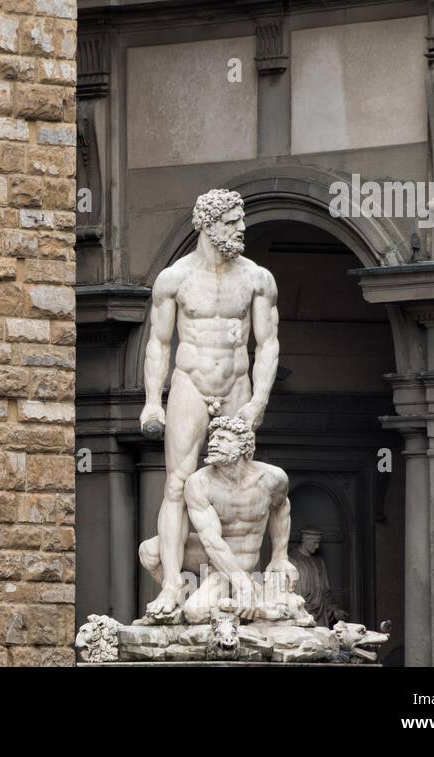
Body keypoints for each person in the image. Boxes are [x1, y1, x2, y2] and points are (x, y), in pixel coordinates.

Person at [139, 190, 280, 615]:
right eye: (232, 221)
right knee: (178, 484)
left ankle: (241, 576)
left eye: (241, 221)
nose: (241, 228)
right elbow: (159, 345)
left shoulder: (256, 278)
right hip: (190, 383)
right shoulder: (175, 279)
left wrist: (258, 401)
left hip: (236, 382)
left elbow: (268, 344)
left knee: (239, 478)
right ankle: (169, 586)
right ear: (206, 223)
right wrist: (152, 401)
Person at [138, 416, 299, 623]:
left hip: (243, 559)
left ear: (243, 446)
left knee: (195, 613)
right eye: (212, 439)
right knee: (149, 551)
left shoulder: (272, 478)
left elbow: (282, 507)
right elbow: (211, 541)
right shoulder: (199, 483)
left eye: (223, 439)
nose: (213, 443)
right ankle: (183, 597)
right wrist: (241, 583)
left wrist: (280, 556)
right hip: (214, 557)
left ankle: (253, 606)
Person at [290, 526, 348, 627]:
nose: (317, 546)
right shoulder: (293, 560)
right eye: (314, 542)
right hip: (302, 612)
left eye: (318, 543)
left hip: (320, 613)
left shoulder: (319, 561)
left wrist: (334, 609)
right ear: (305, 540)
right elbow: (291, 591)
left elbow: (325, 590)